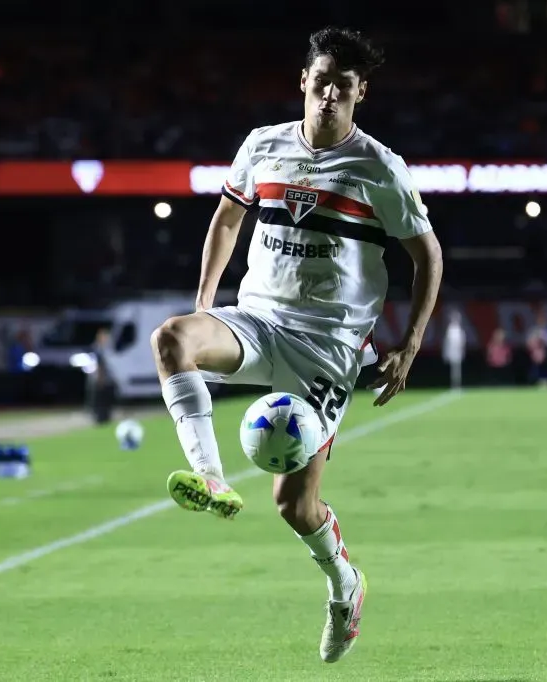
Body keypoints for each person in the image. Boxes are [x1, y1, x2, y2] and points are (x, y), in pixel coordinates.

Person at [149, 27, 443, 664]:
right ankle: (211, 478)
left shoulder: (379, 167)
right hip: (258, 319)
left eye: (344, 85)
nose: (330, 93)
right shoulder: (262, 146)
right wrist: (207, 305)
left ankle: (345, 585)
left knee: (293, 505)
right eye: (321, 81)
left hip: (327, 348)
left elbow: (428, 254)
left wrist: (410, 342)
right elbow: (227, 217)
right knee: (174, 337)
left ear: (361, 93)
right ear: (303, 83)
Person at [442, 309, 466, 390]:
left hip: (457, 352)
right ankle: (453, 385)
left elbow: (462, 342)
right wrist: (446, 353)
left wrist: (462, 351)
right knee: (453, 370)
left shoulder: (459, 329)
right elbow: (447, 342)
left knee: (457, 370)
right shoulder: (450, 329)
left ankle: (457, 385)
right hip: (452, 352)